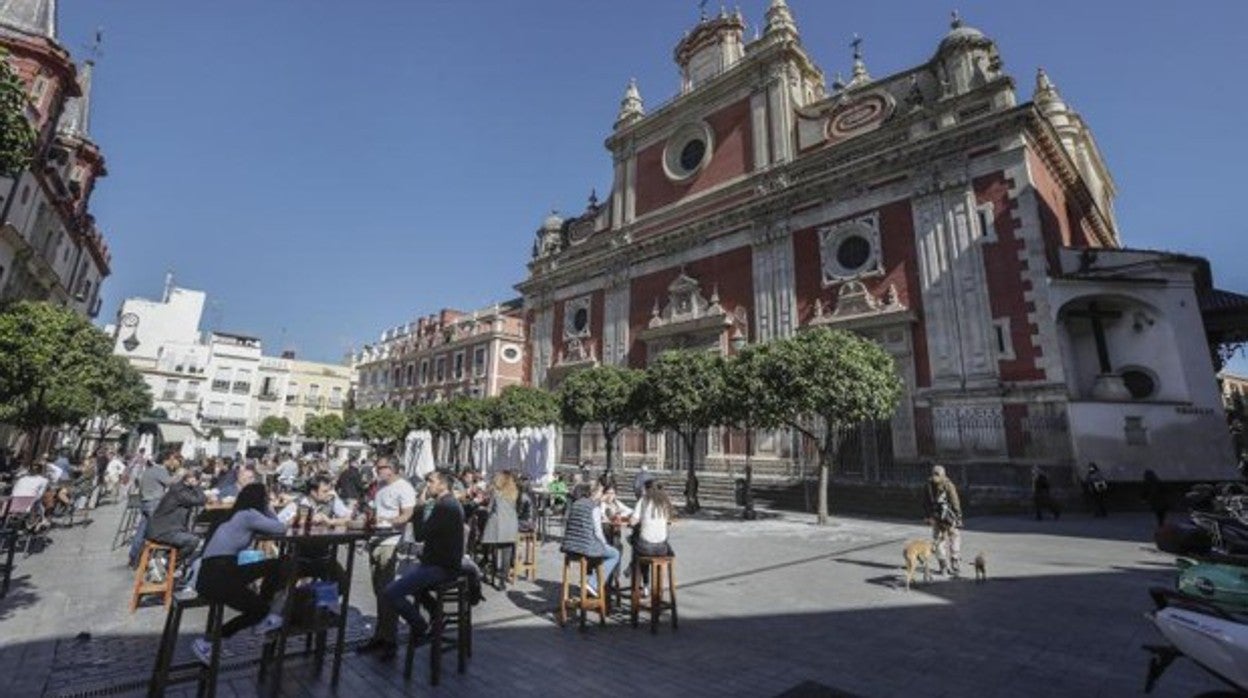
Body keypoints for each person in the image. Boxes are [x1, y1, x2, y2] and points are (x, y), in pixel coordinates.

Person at [192, 483, 288, 665]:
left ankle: (265, 616)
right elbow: (280, 527)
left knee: (276, 564)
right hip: (219, 575)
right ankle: (208, 642)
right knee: (259, 607)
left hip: (217, 571)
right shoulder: (248, 515)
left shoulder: (234, 515)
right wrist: (268, 508)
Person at [383, 469, 464, 650]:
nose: (427, 485)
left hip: (442, 567)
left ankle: (421, 626)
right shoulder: (447, 504)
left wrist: (418, 508)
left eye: (431, 481)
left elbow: (420, 535)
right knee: (411, 580)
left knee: (391, 592)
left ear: (443, 484)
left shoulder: (445, 507)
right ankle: (436, 613)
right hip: (439, 563)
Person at [358, 457, 418, 661]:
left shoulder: (404, 487)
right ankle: (380, 635)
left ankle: (390, 640)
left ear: (391, 469)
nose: (376, 470)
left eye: (380, 467)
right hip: (375, 539)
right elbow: (375, 510)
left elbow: (407, 515)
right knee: (379, 591)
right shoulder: (380, 486)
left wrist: (388, 521)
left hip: (390, 541)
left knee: (388, 591)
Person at [277, 474, 353, 585]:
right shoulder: (299, 503)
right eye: (324, 491)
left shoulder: (332, 501)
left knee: (342, 583)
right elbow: (278, 522)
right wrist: (296, 521)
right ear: (313, 492)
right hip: (298, 556)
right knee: (280, 579)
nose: (328, 494)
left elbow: (349, 518)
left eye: (329, 490)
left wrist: (329, 521)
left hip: (323, 556)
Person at [560, 482, 619, 597]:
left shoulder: (576, 504)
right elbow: (598, 532)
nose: (602, 494)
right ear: (595, 493)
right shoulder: (594, 507)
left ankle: (590, 579)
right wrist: (604, 544)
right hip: (585, 547)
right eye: (601, 492)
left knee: (598, 551)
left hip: (569, 546)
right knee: (615, 553)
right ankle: (593, 583)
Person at [146, 467, 209, 570]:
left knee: (191, 537)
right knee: (193, 541)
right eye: (196, 478)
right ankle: (164, 563)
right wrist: (197, 486)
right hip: (163, 532)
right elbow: (200, 500)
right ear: (189, 479)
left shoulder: (180, 488)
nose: (198, 481)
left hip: (167, 529)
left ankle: (166, 564)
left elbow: (197, 498)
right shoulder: (179, 491)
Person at [129, 454, 176, 568]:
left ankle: (134, 557)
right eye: (172, 459)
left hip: (145, 502)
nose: (173, 462)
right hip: (154, 503)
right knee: (160, 531)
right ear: (166, 460)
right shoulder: (160, 470)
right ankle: (158, 560)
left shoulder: (148, 470)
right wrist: (181, 475)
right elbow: (170, 482)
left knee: (141, 532)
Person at [629, 479, 674, 593]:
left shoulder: (643, 501)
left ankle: (643, 583)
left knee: (636, 548)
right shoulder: (664, 502)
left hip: (646, 547)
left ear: (647, 489)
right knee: (664, 547)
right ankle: (658, 586)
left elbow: (633, 521)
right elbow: (669, 520)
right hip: (661, 548)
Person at [480, 471, 519, 590]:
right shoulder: (514, 492)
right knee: (507, 553)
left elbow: (490, 508)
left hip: (498, 525)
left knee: (495, 551)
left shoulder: (496, 492)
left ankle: (492, 573)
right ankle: (502, 580)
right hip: (511, 525)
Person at [924, 464, 963, 577]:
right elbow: (955, 502)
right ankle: (954, 561)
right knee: (954, 536)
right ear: (944, 474)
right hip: (948, 518)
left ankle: (943, 565)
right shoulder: (948, 485)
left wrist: (927, 516)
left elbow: (925, 502)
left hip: (935, 517)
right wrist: (958, 517)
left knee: (938, 539)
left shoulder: (928, 485)